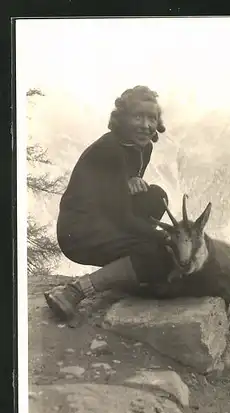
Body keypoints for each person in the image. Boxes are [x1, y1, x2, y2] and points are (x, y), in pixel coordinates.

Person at [44, 86, 174, 321]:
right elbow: (121, 215)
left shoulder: (143, 147)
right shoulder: (108, 149)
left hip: (107, 215)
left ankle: (128, 268)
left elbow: (118, 193)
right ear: (122, 119)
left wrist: (130, 181)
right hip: (81, 229)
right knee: (154, 252)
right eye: (138, 116)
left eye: (151, 118)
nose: (146, 125)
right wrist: (162, 237)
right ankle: (74, 292)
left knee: (157, 197)